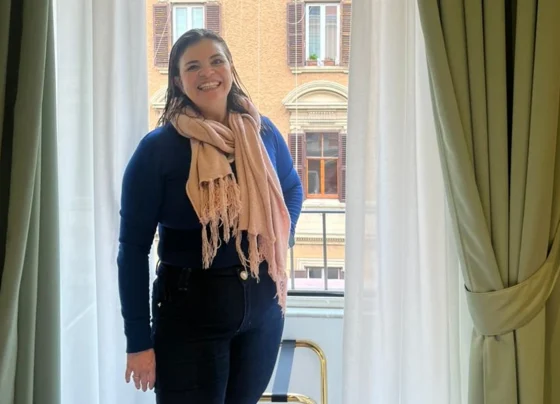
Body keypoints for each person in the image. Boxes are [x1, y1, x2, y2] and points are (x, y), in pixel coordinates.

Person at [117, 28, 304, 403]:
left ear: (230, 67)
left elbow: (292, 189)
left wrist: (280, 238)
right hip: (189, 319)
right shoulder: (158, 149)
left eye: (217, 61)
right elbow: (132, 249)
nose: (208, 72)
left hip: (263, 315)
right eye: (193, 66)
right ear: (178, 81)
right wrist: (138, 340)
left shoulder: (263, 132)